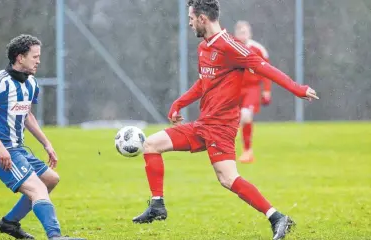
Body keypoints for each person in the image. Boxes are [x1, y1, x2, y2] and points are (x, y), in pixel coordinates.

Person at [131, 1, 318, 240]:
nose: (188, 22)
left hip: (221, 127)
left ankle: (277, 217)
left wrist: (298, 89)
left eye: (191, 18)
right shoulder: (203, 48)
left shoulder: (230, 46)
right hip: (203, 124)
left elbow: (263, 67)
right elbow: (203, 83)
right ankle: (157, 206)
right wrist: (179, 103)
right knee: (151, 145)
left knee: (228, 179)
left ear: (202, 19)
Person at [0, 34, 85, 240]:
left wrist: (46, 144)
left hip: (16, 149)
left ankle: (9, 223)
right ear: (19, 57)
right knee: (37, 187)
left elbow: (27, 115)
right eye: (35, 56)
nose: (39, 61)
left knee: (50, 180)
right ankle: (55, 236)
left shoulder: (31, 83)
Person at [234, 20, 272, 163]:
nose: (242, 35)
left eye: (245, 32)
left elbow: (268, 72)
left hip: (252, 88)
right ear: (236, 34)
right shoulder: (231, 48)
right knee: (235, 119)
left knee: (245, 115)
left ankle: (247, 151)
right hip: (235, 89)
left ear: (249, 33)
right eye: (240, 32)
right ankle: (240, 152)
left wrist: (266, 91)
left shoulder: (258, 49)